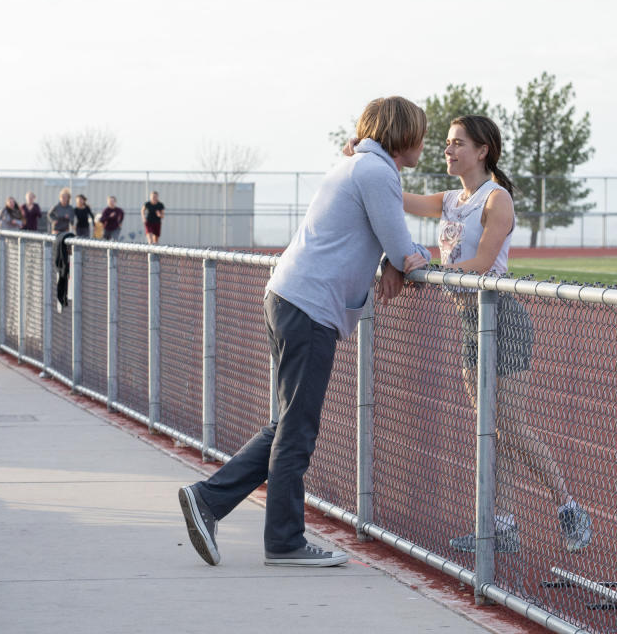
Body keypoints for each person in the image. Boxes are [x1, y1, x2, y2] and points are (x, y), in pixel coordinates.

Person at [178, 96, 431, 568]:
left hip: (291, 298)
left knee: (286, 424)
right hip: (309, 308)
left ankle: (208, 500)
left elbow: (376, 240)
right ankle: (284, 542)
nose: (425, 142)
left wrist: (390, 258)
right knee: (297, 429)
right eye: (420, 132)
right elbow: (404, 249)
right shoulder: (377, 173)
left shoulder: (358, 165)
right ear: (402, 134)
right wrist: (409, 258)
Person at [355, 116, 594, 553]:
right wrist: (359, 163)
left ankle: (569, 508)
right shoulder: (450, 199)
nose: (447, 150)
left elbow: (483, 265)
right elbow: (397, 198)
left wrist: (429, 270)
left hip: (502, 317)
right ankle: (501, 525)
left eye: (457, 143)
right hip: (470, 321)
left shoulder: (495, 199)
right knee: (491, 428)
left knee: (512, 426)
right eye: (446, 143)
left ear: (482, 151)